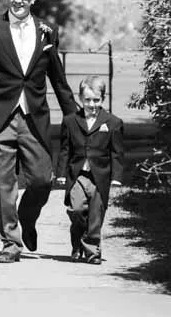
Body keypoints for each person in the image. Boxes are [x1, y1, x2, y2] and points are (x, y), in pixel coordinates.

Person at [0, 0, 77, 263]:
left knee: (43, 179)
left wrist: (74, 116)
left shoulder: (47, 32)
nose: (18, 0)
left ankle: (26, 220)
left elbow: (58, 77)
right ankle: (10, 242)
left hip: (34, 118)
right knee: (3, 184)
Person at [56, 75, 124, 264]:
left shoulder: (113, 122)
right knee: (76, 210)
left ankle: (93, 252)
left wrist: (116, 177)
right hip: (77, 174)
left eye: (96, 100)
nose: (92, 104)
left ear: (103, 99)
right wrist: (61, 174)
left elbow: (117, 153)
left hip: (100, 176)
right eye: (87, 100)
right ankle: (77, 244)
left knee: (95, 215)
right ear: (80, 98)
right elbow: (65, 150)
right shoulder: (70, 121)